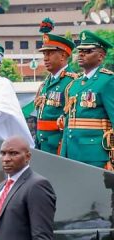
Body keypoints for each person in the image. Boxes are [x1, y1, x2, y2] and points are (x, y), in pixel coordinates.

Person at [60, 30, 114, 168]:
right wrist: (64, 153)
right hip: (73, 152)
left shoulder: (107, 81)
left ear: (101, 56)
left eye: (88, 51)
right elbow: (68, 123)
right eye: (80, 50)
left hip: (96, 154)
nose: (81, 54)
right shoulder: (74, 84)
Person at [0, 136, 56, 240]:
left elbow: (42, 236)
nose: (6, 159)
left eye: (13, 153)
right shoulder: (1, 186)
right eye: (3, 153)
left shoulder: (37, 185)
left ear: (28, 157)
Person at [34, 18, 78, 154]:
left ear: (63, 56)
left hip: (59, 146)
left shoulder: (72, 82)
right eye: (44, 54)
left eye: (50, 53)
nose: (45, 58)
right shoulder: (45, 83)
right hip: (43, 144)